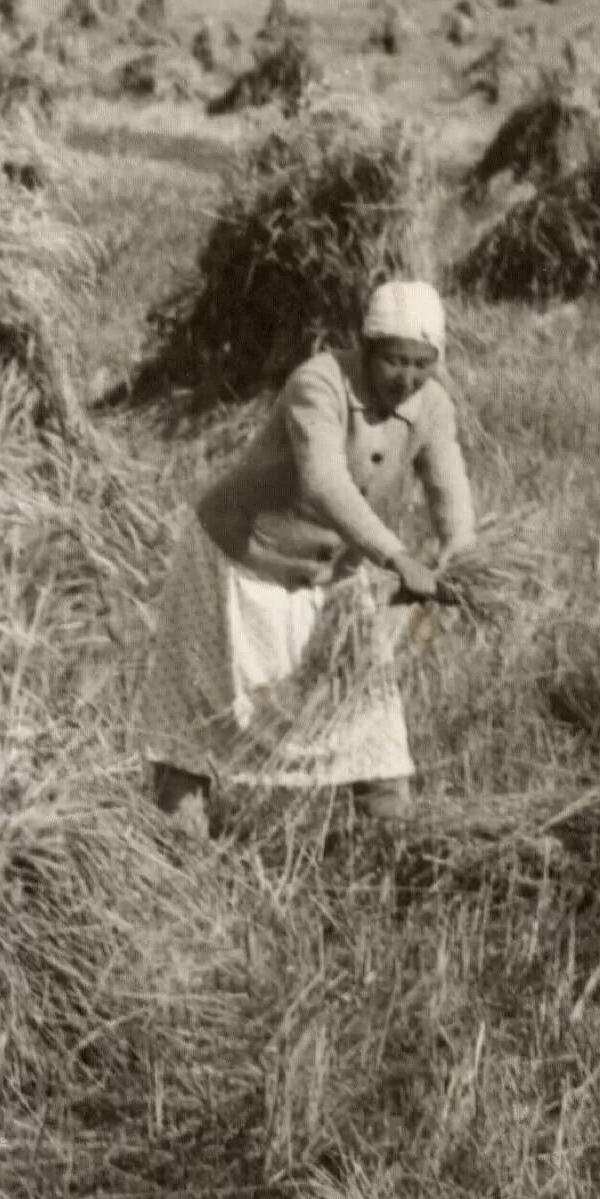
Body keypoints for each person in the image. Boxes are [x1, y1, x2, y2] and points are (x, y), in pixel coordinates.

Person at [138, 279, 476, 834]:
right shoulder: (318, 383)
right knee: (196, 732)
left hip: (331, 581)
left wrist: (459, 560)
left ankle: (388, 844)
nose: (408, 378)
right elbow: (323, 481)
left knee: (373, 728)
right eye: (394, 361)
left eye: (422, 363)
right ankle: (178, 852)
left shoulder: (432, 404)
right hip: (236, 565)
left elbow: (449, 489)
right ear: (366, 349)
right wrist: (396, 557)